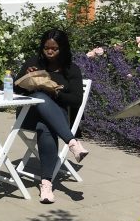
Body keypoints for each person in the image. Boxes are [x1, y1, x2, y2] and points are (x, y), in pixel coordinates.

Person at [14, 28, 89, 204]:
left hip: (57, 117)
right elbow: (16, 89)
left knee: (45, 126)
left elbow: (76, 101)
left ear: (62, 48)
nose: (49, 51)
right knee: (39, 97)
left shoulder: (71, 69)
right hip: (29, 114)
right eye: (46, 47)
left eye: (54, 48)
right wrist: (28, 77)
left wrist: (55, 93)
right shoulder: (34, 62)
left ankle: (46, 184)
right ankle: (72, 142)